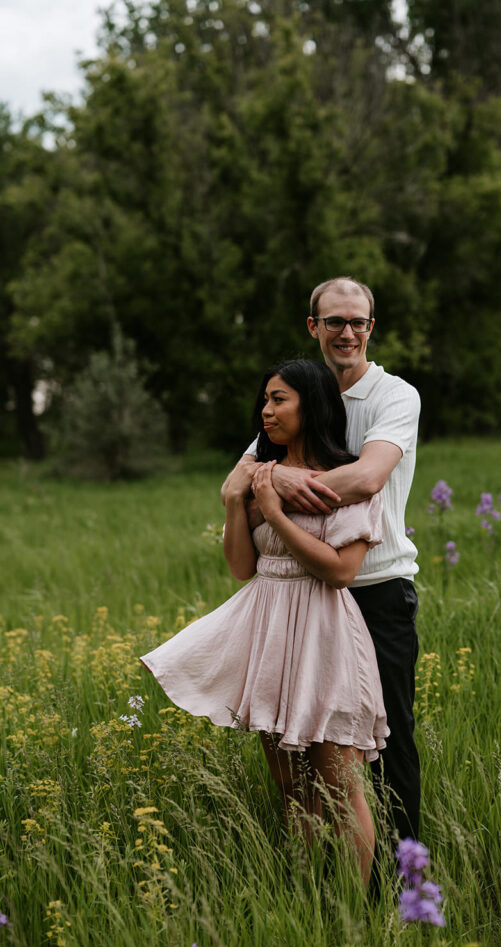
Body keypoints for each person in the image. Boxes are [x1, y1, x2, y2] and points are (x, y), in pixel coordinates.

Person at [141, 359, 388, 886]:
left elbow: (341, 572)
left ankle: (354, 914)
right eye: (266, 399)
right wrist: (238, 499)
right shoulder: (258, 477)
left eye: (280, 400)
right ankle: (304, 897)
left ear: (312, 405)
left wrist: (274, 513)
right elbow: (240, 567)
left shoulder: (346, 483)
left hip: (323, 633)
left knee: (341, 789)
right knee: (290, 788)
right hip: (269, 633)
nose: (266, 410)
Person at [222, 276, 421, 841]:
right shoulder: (291, 399)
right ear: (314, 327)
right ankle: (317, 889)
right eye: (334, 321)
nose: (347, 332)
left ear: (371, 327)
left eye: (358, 321)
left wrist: (280, 486)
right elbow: (234, 487)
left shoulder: (393, 396)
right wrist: (270, 479)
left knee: (387, 746)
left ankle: (402, 891)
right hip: (297, 604)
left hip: (374, 589)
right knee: (301, 748)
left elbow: (366, 477)